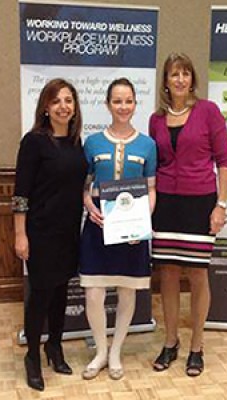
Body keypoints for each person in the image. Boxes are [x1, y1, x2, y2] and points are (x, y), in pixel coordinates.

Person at [149, 53, 227, 377]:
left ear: (192, 79)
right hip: (166, 204)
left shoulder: (208, 111)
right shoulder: (156, 119)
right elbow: (152, 166)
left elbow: (223, 162)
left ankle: (196, 346)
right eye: (174, 74)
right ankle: (171, 342)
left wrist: (221, 205)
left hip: (200, 202)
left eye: (185, 73)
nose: (180, 79)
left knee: (197, 274)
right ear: (166, 82)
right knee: (167, 273)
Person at [12, 78, 87, 391]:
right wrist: (20, 235)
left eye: (68, 100)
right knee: (40, 295)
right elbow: (21, 194)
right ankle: (32, 356)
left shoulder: (75, 143)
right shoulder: (34, 142)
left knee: (61, 293)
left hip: (69, 231)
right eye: (56, 100)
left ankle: (54, 347)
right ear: (45, 106)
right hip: (40, 232)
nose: (63, 106)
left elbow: (78, 186)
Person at [79, 78, 156, 381]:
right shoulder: (92, 143)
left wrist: (142, 221)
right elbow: (85, 186)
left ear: (135, 103)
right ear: (108, 104)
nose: (123, 107)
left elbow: (151, 190)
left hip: (132, 232)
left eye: (128, 101)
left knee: (127, 292)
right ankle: (100, 350)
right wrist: (89, 205)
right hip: (98, 227)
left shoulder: (148, 145)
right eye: (117, 101)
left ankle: (116, 352)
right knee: (94, 293)